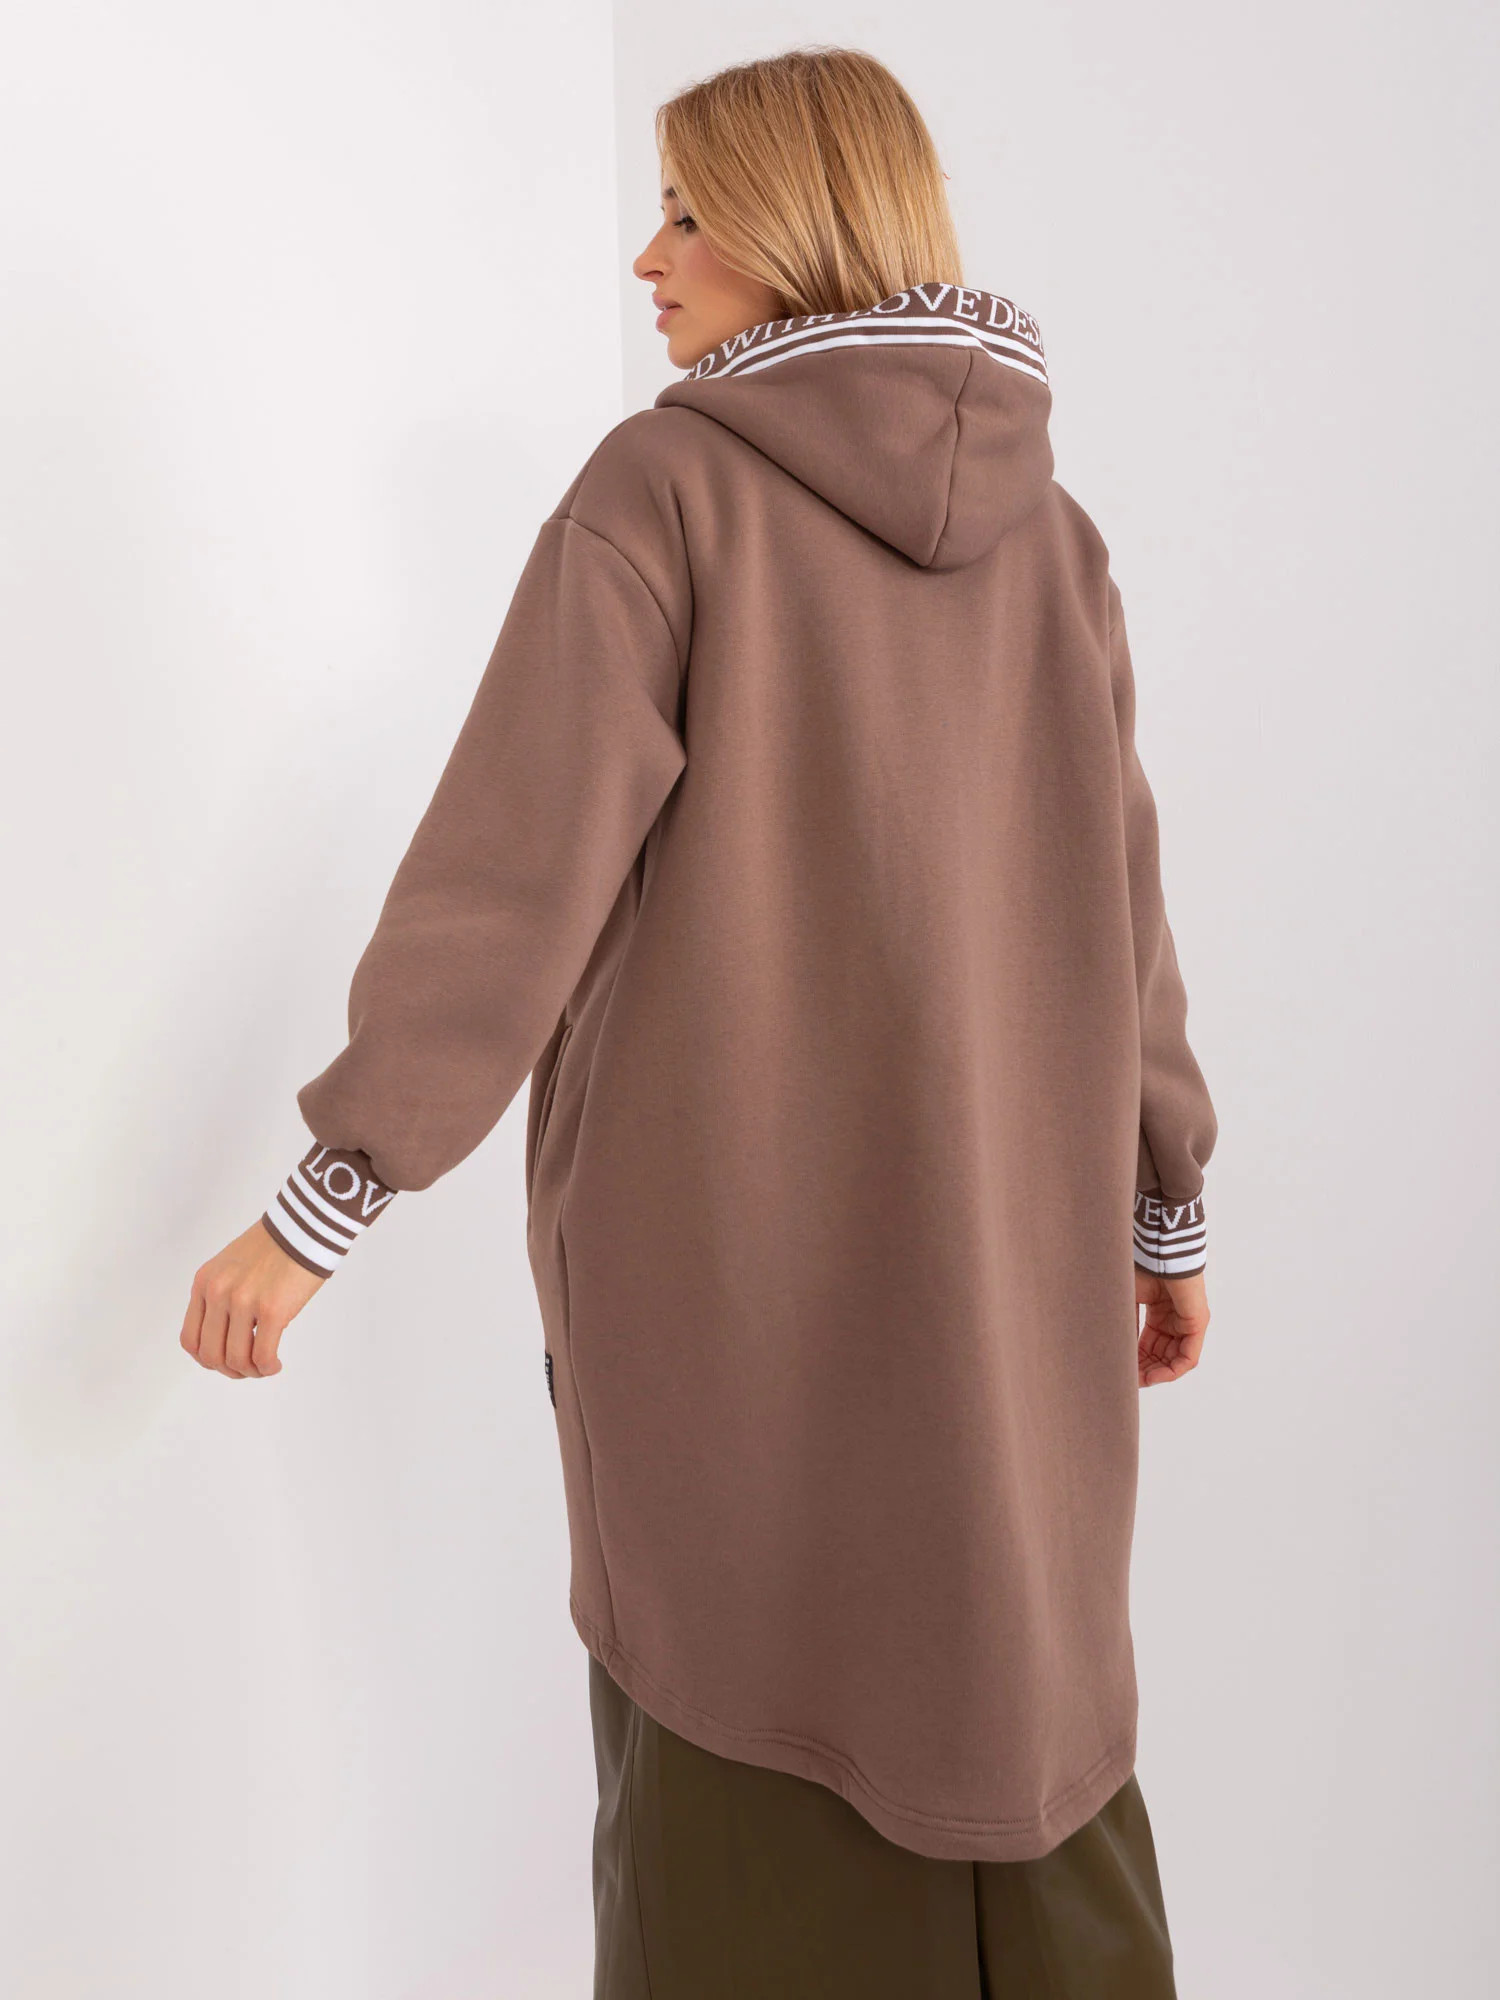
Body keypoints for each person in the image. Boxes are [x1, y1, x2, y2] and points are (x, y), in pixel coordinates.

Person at [181, 44, 1216, 1999]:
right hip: (1015, 1273)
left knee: (743, 1721)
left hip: (722, 1273)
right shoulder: (1056, 536)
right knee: (1015, 1679)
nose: (647, 257)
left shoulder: (664, 492)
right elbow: (1131, 908)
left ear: (799, 225)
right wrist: (1165, 1210)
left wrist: (322, 1204)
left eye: (686, 210)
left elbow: (510, 880)